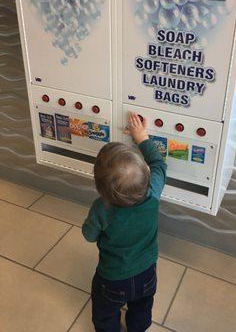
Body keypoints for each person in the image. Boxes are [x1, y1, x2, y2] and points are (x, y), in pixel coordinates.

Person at [82, 113, 167, 332]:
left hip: (112, 279)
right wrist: (141, 138)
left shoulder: (102, 208)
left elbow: (89, 235)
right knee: (141, 307)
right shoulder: (153, 193)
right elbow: (159, 164)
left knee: (105, 313)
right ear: (146, 178)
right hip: (147, 273)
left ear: (101, 189)